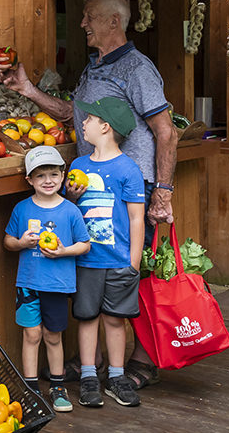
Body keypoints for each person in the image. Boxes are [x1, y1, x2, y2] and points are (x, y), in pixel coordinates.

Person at [0, 0, 178, 388]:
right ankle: (92, 361)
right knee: (94, 272)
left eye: (89, 17)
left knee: (132, 272)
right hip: (92, 190)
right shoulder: (94, 67)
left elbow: (166, 132)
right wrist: (27, 90)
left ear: (114, 21)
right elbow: (70, 114)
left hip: (131, 189)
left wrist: (162, 192)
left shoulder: (137, 69)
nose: (81, 24)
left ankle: (141, 359)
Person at [65, 97, 146, 408]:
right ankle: (88, 376)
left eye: (88, 118)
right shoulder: (78, 166)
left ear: (105, 126)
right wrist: (71, 199)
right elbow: (69, 214)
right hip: (85, 259)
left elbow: (137, 217)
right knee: (86, 317)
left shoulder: (128, 169)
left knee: (115, 320)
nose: (83, 123)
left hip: (119, 260)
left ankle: (116, 376)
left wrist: (134, 262)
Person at [4, 146, 90, 413]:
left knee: (53, 336)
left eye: (54, 174)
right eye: (41, 176)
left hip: (57, 284)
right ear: (29, 180)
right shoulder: (22, 209)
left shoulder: (70, 211)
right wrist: (20, 242)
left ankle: (57, 385)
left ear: (63, 176)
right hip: (28, 282)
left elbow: (84, 245)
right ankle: (30, 388)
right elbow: (7, 241)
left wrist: (63, 251)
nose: (48, 180)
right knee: (31, 334)